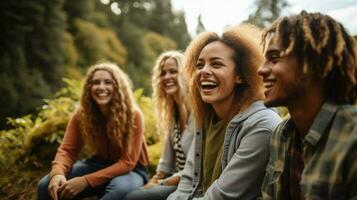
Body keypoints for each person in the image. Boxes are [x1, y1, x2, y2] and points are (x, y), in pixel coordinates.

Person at [167, 24, 282, 200]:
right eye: (199, 65)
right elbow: (189, 180)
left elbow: (223, 196)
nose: (204, 71)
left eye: (216, 64)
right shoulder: (205, 116)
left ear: (241, 75)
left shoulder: (262, 125)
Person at [258, 11, 357, 200]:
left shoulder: (351, 137)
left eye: (274, 58)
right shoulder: (281, 134)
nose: (260, 69)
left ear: (312, 64)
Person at [37, 62, 149, 200]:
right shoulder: (82, 114)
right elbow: (67, 150)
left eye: (108, 82)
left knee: (118, 192)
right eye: (96, 82)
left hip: (131, 171)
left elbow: (127, 162)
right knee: (45, 186)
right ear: (89, 87)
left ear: (118, 87)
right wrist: (58, 173)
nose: (101, 87)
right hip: (98, 164)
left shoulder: (133, 115)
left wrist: (86, 181)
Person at [124, 51, 194, 200]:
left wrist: (161, 183)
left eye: (173, 71)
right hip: (173, 180)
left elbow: (195, 168)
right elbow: (165, 163)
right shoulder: (173, 114)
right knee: (134, 195)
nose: (167, 77)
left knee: (133, 198)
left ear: (185, 73)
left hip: (191, 183)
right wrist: (153, 181)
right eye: (163, 73)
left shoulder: (198, 113)